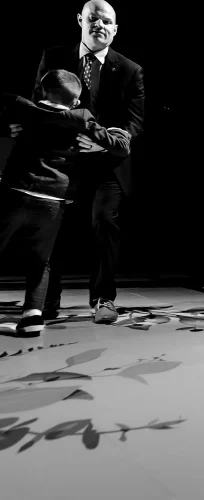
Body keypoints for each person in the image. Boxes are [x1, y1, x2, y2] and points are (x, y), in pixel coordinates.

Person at [32, 0, 145, 324]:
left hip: (106, 164)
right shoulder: (54, 57)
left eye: (107, 21)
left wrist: (103, 140)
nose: (100, 25)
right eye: (93, 18)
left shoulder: (129, 70)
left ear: (116, 29)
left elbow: (135, 123)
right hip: (61, 162)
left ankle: (103, 299)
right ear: (80, 19)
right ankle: (46, 300)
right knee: (54, 228)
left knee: (105, 224)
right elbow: (38, 105)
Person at [0, 70, 130, 337]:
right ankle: (32, 317)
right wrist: (99, 143)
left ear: (42, 91)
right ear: (75, 101)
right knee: (41, 261)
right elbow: (121, 147)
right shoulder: (81, 117)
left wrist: (6, 128)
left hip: (15, 193)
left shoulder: (22, 106)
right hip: (53, 201)